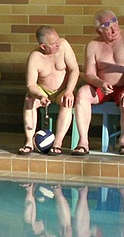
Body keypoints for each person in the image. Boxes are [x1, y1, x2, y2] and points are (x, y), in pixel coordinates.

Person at [74, 10, 124, 155]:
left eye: (115, 21)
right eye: (107, 25)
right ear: (99, 31)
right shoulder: (93, 45)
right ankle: (83, 142)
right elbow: (89, 74)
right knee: (82, 94)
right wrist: (100, 83)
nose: (114, 28)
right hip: (103, 87)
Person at [19, 25, 79, 155]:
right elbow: (31, 85)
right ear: (43, 46)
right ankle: (29, 141)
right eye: (53, 44)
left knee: (66, 101)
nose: (58, 45)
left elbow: (74, 69)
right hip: (43, 91)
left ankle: (58, 143)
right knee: (29, 99)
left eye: (57, 40)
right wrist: (40, 96)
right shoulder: (35, 57)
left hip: (63, 89)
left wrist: (69, 91)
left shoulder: (64, 46)